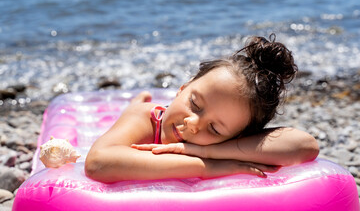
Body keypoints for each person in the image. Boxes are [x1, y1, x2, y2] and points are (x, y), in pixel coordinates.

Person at [85, 34, 319, 183]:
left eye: (215, 129)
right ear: (182, 88)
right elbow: (98, 163)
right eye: (194, 105)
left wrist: (209, 151)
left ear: (236, 136)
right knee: (136, 108)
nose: (193, 125)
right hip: (142, 112)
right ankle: (138, 99)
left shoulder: (219, 145)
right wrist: (206, 167)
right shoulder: (148, 119)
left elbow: (305, 146)